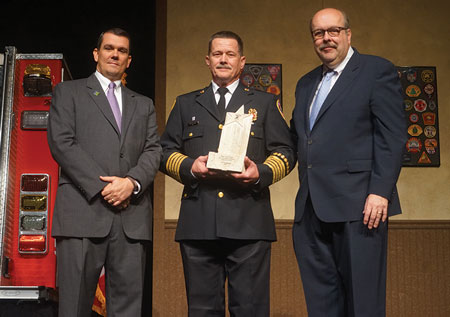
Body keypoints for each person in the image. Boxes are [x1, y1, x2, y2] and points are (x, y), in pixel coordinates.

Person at [160, 31, 295, 316]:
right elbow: (163, 152)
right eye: (217, 54)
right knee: (202, 310)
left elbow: (286, 151)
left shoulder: (265, 103)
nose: (223, 59)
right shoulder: (186, 104)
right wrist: (189, 167)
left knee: (250, 310)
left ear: (242, 61)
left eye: (230, 54)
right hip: (199, 223)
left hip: (249, 222)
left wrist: (260, 172)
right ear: (207, 60)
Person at [290, 8, 406, 317]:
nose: (326, 38)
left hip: (360, 207)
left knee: (363, 303)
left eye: (333, 31)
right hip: (312, 209)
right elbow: (298, 140)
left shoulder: (375, 71)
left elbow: (392, 136)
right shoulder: (306, 83)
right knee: (322, 305)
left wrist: (380, 191)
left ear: (348, 34)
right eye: (318, 32)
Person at [47, 28, 161, 317]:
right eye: (109, 48)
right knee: (73, 308)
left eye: (122, 51)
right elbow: (62, 144)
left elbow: (153, 151)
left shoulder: (144, 104)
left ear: (129, 60)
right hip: (82, 214)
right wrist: (105, 188)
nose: (115, 54)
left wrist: (131, 183)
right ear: (96, 54)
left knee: (127, 310)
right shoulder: (68, 92)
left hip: (130, 220)